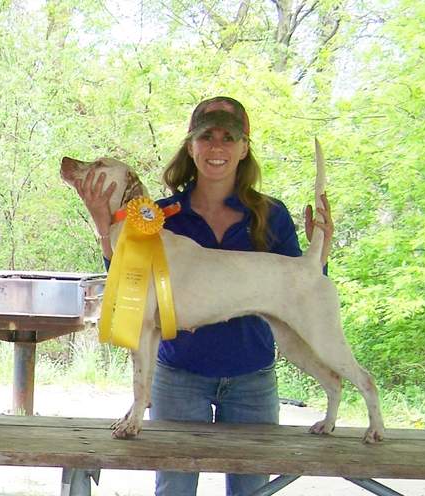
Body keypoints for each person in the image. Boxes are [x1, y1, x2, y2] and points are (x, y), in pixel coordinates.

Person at [75, 96, 332, 496]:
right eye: (206, 136)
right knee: (174, 491)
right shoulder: (154, 214)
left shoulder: (272, 214)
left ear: (244, 148)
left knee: (252, 492)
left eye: (228, 138)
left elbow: (298, 288)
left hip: (252, 377)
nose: (217, 147)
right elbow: (131, 294)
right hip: (178, 378)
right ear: (190, 146)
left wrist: (324, 250)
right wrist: (102, 230)